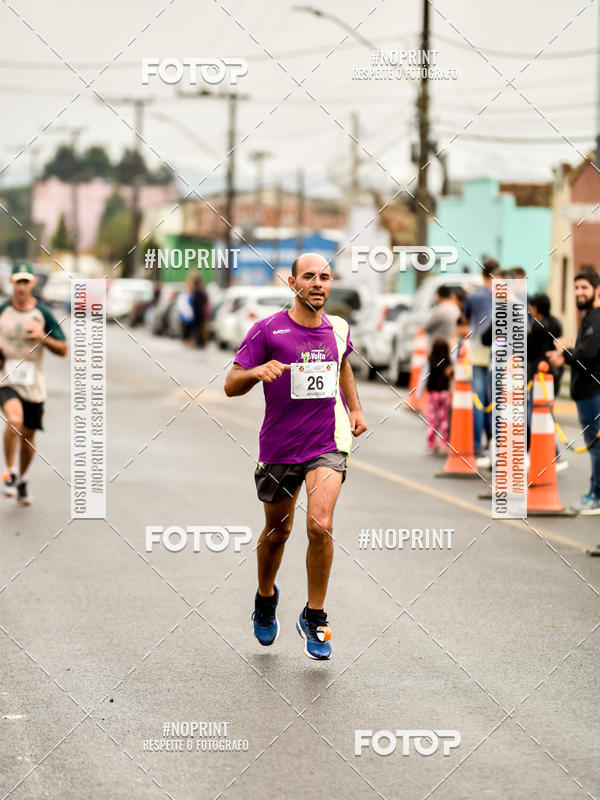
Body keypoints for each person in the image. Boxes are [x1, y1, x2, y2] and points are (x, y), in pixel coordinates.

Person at [224, 253, 367, 660]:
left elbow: (343, 367)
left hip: (326, 443)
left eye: (325, 277)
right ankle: (266, 597)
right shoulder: (267, 330)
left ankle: (315, 614)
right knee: (278, 533)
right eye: (309, 277)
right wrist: (256, 372)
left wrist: (354, 408)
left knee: (320, 525)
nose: (318, 283)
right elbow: (230, 384)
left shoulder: (337, 328)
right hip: (280, 448)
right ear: (292, 283)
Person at [0, 262, 68, 505]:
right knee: (14, 420)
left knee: (28, 437)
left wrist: (43, 336)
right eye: (17, 281)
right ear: (11, 283)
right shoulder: (2, 311)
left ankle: (22, 480)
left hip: (33, 382)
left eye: (25, 281)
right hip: (5, 379)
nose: (21, 286)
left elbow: (63, 349)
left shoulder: (43, 314)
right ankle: (9, 473)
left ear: (33, 283)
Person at [546, 270, 600, 514]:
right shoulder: (590, 317)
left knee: (596, 446)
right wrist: (569, 349)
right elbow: (586, 350)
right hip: (585, 393)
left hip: (592, 392)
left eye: (584, 288)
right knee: (593, 446)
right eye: (576, 288)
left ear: (597, 290)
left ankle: (596, 496)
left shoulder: (597, 318)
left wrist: (564, 355)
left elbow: (587, 355)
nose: (579, 293)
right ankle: (594, 492)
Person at [463, 258, 501, 456]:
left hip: (477, 353)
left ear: (482, 275)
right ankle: (492, 443)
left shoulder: (474, 297)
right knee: (494, 400)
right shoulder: (504, 295)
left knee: (478, 399)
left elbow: (465, 319)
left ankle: (477, 443)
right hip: (497, 354)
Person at [426, 338, 453, 455]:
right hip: (445, 393)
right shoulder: (448, 363)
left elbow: (425, 377)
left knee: (432, 419)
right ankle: (444, 442)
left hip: (433, 393)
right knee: (444, 419)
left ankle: (431, 443)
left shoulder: (431, 361)